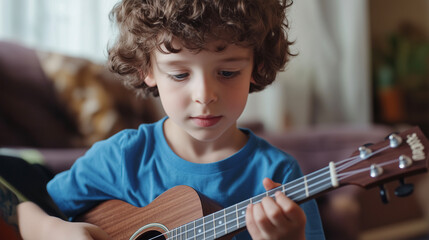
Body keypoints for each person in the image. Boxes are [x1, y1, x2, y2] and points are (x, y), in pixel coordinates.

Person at [17, 0, 325, 239]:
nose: (204, 96)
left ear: (256, 66)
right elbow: (22, 207)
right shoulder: (123, 158)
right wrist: (50, 231)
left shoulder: (277, 175)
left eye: (228, 72)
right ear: (146, 69)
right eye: (180, 74)